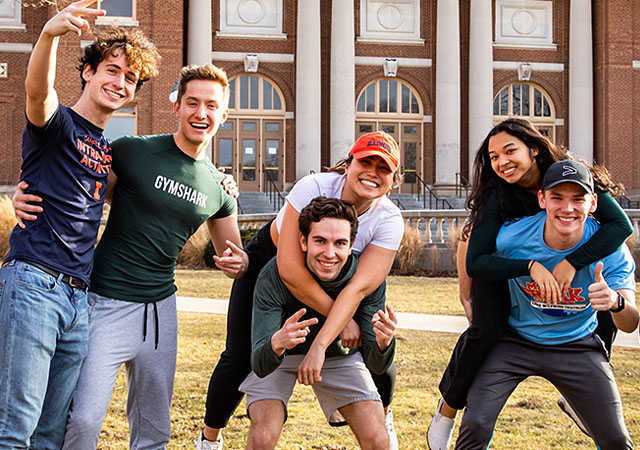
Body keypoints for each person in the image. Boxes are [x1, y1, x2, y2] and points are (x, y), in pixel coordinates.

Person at [13, 64, 248, 449]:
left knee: (154, 428)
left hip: (160, 314)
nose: (200, 114)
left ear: (223, 115)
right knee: (84, 420)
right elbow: (71, 183)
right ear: (177, 107)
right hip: (105, 302)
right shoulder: (133, 152)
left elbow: (233, 255)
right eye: (192, 103)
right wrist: (25, 194)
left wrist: (238, 265)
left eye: (211, 106)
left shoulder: (220, 187)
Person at [0, 2, 160, 448]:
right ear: (88, 72)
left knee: (51, 434)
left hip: (78, 298)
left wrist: (219, 177)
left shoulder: (107, 150)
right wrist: (49, 34)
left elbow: (148, 183)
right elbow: (37, 90)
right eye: (112, 70)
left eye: (129, 78)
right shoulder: (57, 123)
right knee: (15, 430)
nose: (119, 82)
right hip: (34, 282)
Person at [427, 118, 633, 450]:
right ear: (542, 199)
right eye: (494, 157)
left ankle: (583, 396)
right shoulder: (496, 196)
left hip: (573, 289)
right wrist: (525, 268)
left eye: (510, 151)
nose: (501, 162)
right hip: (506, 267)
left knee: (603, 311)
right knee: (485, 329)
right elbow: (475, 253)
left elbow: (621, 226)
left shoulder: (570, 174)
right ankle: (448, 408)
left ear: (534, 149)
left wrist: (572, 263)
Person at [199, 131, 404, 450]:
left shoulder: (388, 218)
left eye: (384, 168)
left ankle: (381, 413)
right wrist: (340, 320)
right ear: (348, 164)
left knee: (374, 336)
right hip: (278, 259)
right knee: (241, 355)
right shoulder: (315, 187)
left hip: (341, 277)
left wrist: (327, 340)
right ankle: (209, 438)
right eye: (366, 162)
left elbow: (359, 289)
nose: (373, 172)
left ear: (394, 178)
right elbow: (291, 272)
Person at [241, 197, 397, 450]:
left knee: (380, 440)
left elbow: (377, 364)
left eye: (340, 243)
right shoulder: (274, 275)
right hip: (279, 360)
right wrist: (277, 342)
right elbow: (260, 363)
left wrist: (383, 343)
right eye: (320, 241)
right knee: (262, 438)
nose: (329, 253)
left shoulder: (366, 278)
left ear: (351, 245)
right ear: (303, 241)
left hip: (339, 357)